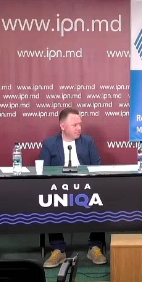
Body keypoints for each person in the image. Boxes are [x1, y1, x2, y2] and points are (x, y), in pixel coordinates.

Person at [40, 108, 105, 268]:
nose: (79, 128)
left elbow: (97, 167)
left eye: (80, 124)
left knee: (100, 197)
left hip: (86, 186)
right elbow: (43, 171)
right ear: (62, 126)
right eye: (74, 125)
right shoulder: (49, 144)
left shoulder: (88, 142)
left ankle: (95, 246)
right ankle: (58, 249)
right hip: (58, 188)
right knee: (49, 199)